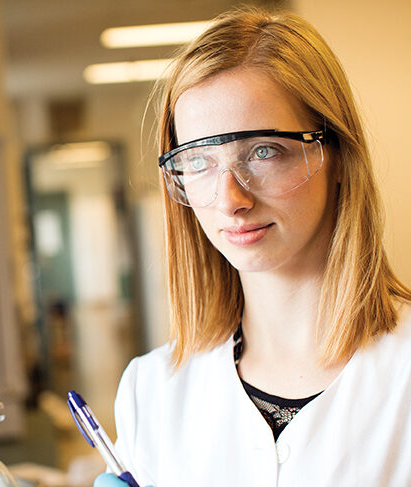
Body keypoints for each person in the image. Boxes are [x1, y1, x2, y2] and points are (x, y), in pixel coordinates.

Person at [95, 7, 411, 487]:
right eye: (198, 162)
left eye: (264, 152)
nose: (230, 200)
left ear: (338, 155)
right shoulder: (153, 391)